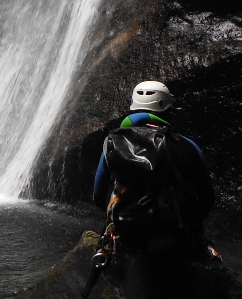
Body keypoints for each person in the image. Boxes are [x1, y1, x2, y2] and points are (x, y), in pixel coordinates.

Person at [92, 81, 215, 256]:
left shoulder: (111, 142)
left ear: (133, 108)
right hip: (170, 237)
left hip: (126, 237)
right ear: (167, 110)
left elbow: (98, 196)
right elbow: (207, 198)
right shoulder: (187, 145)